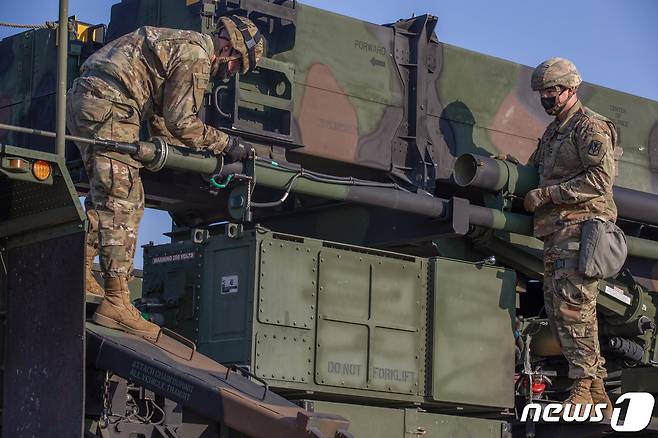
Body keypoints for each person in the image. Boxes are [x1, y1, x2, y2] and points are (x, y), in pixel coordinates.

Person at [66, 16, 264, 338]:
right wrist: (228, 145)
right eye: (235, 65)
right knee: (124, 200)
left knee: (105, 196)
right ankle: (117, 301)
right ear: (229, 48)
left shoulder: (182, 43)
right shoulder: (199, 56)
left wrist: (181, 154)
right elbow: (181, 121)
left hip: (87, 99)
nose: (229, 73)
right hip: (112, 105)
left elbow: (161, 117)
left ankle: (81, 269)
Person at [524, 58, 617, 416]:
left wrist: (548, 195)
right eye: (543, 92)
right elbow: (537, 170)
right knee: (563, 311)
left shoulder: (588, 126)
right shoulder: (553, 132)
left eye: (553, 90)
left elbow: (599, 181)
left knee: (574, 308)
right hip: (558, 231)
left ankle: (582, 386)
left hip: (582, 229)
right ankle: (596, 393)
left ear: (571, 89)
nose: (547, 97)